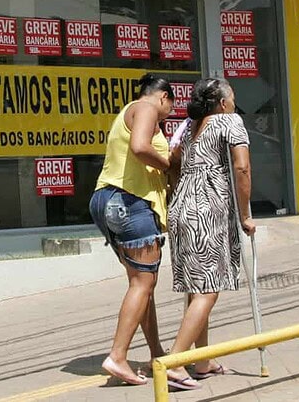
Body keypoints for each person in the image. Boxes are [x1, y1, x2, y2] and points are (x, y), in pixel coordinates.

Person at [165, 78, 256, 391]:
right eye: (231, 96)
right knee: (208, 289)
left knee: (196, 286)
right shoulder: (230, 121)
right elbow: (241, 169)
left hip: (181, 206)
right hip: (208, 208)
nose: (234, 101)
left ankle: (201, 360)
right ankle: (175, 362)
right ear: (222, 103)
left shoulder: (190, 126)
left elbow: (174, 160)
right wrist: (245, 214)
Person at [89, 74, 176, 385]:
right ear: (163, 96)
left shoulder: (127, 111)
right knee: (143, 284)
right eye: (170, 107)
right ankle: (118, 355)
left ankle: (156, 352)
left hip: (106, 199)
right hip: (129, 201)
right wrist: (168, 163)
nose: (167, 115)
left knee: (142, 285)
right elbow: (140, 147)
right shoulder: (148, 108)